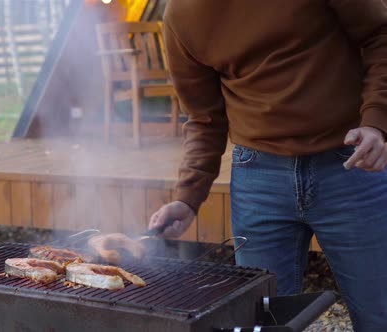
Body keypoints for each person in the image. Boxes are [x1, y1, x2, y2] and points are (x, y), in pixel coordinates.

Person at [147, 1, 387, 330]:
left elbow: (381, 34)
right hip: (258, 179)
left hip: (349, 164)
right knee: (264, 318)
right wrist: (188, 197)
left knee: (380, 313)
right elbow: (204, 118)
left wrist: (376, 120)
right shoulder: (181, 15)